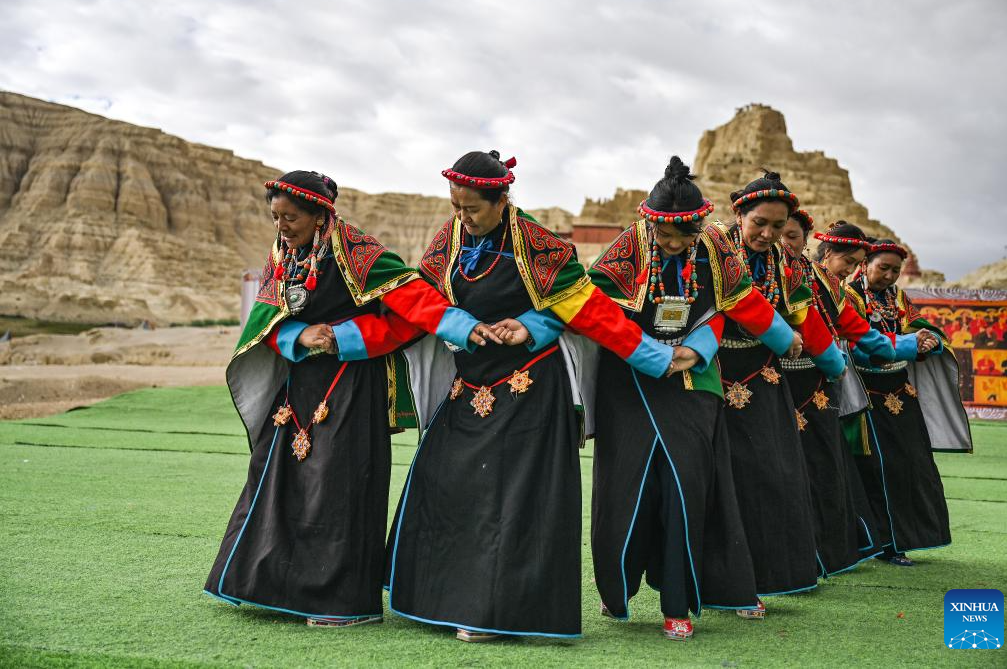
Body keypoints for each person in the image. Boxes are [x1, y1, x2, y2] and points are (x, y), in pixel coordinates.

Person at [385, 151, 693, 642]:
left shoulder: (539, 246)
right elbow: (423, 297)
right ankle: (437, 598)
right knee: (444, 480)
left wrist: (529, 327)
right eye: (456, 207)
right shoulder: (451, 238)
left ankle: (495, 614)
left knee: (510, 502)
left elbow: (583, 309)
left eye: (471, 209)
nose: (461, 217)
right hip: (470, 384)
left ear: (502, 199)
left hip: (529, 387)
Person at [204, 170, 501, 627]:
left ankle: (343, 603)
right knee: (274, 479)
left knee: (337, 488)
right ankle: (270, 586)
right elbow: (265, 319)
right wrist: (300, 336)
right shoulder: (284, 257)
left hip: (352, 385)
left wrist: (345, 337)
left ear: (320, 214)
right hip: (297, 388)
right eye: (275, 217)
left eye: (291, 217)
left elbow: (416, 308)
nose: (282, 226)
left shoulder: (360, 253)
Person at [586, 157, 803, 640]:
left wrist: (701, 348)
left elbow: (735, 303)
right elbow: (595, 311)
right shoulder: (627, 250)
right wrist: (649, 356)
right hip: (631, 385)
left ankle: (676, 602)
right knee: (627, 487)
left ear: (699, 225)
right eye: (664, 232)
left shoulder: (713, 250)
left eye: (683, 234)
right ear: (650, 220)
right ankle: (615, 588)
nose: (673, 243)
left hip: (692, 382)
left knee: (687, 486)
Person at [718, 171, 846, 617]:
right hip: (710, 377)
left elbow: (804, 318)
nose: (769, 234)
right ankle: (722, 583)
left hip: (765, 378)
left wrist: (830, 362)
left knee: (774, 474)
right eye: (760, 223)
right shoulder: (710, 250)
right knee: (719, 480)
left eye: (777, 226)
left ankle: (766, 578)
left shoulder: (786, 263)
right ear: (739, 214)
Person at [781, 217, 896, 576]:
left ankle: (826, 551)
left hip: (819, 385)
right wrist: (835, 362)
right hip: (787, 382)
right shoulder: (800, 277)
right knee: (799, 467)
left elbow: (860, 333)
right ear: (827, 252)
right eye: (848, 261)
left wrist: (907, 345)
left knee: (825, 464)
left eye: (858, 264)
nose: (851, 270)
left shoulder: (831, 287)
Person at [847, 239, 972, 566]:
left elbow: (917, 328)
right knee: (879, 468)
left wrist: (929, 342)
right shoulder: (850, 297)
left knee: (912, 465)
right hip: (867, 393)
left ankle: (909, 537)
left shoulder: (897, 298)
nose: (889, 275)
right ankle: (885, 544)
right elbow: (860, 346)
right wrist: (908, 345)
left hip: (901, 391)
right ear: (865, 264)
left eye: (895, 270)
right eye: (883, 267)